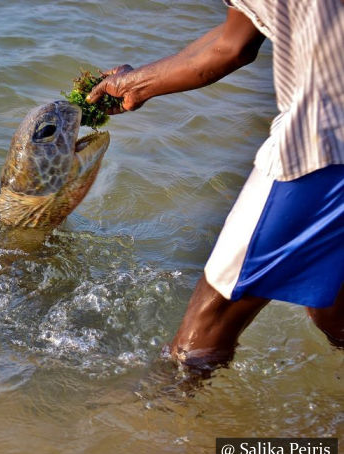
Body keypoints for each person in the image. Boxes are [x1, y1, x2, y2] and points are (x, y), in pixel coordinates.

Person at [87, 0, 344, 370]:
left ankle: (161, 420)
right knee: (333, 306)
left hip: (323, 143)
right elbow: (234, 38)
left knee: (213, 313)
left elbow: (230, 49)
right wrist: (136, 84)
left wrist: (136, 84)